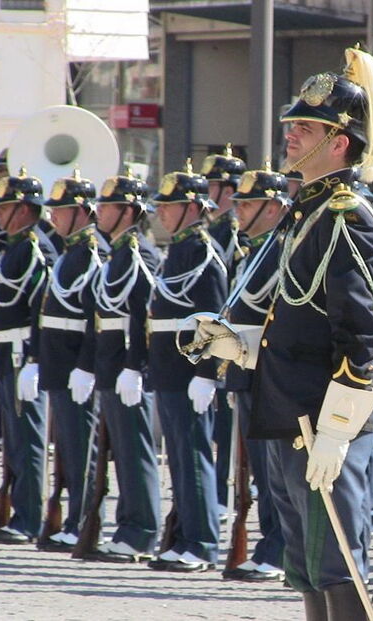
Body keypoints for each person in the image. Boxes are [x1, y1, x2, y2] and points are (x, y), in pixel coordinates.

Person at [199, 45, 373, 619]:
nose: (290, 135)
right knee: (306, 564)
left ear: (339, 143)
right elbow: (299, 320)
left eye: (305, 128)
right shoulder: (306, 211)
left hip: (319, 420)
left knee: (336, 560)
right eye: (291, 125)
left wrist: (335, 429)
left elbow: (361, 336)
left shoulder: (346, 216)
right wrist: (240, 343)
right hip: (287, 408)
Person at [147, 161, 227, 573]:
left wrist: (205, 374)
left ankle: (202, 543)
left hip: (187, 372)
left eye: (171, 204)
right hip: (168, 369)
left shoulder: (203, 252)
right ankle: (183, 536)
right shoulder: (178, 249)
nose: (161, 211)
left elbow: (214, 318)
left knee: (194, 456)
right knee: (178, 458)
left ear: (193, 208)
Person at [78, 171, 162, 563]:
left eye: (108, 206)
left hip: (127, 367)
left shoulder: (139, 253)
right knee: (122, 452)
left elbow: (142, 316)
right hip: (110, 364)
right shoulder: (118, 253)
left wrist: (136, 366)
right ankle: (128, 525)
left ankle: (141, 530)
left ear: (128, 211)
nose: (99, 212)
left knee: (134, 449)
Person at [219, 164, 290, 582]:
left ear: (274, 207)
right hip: (245, 369)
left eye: (248, 204)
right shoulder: (252, 250)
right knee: (260, 471)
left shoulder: (280, 250)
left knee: (274, 471)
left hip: (267, 370)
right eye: (239, 203)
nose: (239, 211)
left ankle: (278, 549)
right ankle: (270, 544)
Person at [30, 171, 104, 552]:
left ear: (80, 213)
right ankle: (73, 518)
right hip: (59, 366)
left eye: (61, 211)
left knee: (82, 452)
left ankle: (83, 520)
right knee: (69, 453)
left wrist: (86, 365)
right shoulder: (69, 254)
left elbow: (96, 318)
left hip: (76, 366)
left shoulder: (91, 254)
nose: (53, 217)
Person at [0, 168, 51, 544]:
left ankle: (30, 517)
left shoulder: (34, 250)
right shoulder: (17, 247)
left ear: (24, 210)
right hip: (4, 351)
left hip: (21, 353)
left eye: (5, 207)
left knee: (28, 439)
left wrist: (34, 360)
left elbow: (39, 310)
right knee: (14, 440)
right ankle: (20, 512)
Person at [200, 144, 249, 518]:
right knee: (218, 422)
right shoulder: (212, 230)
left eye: (213, 186)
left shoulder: (235, 234)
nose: (207, 194)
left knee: (230, 423)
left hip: (231, 338)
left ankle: (229, 489)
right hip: (215, 336)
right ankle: (216, 489)